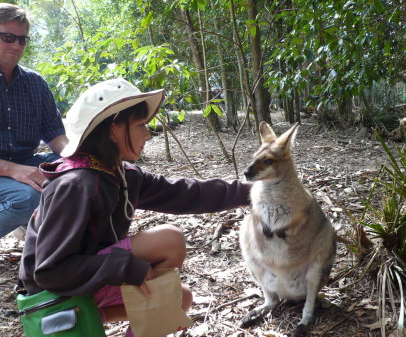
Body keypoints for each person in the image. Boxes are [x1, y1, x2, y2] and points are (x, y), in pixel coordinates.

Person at [18, 78, 252, 336]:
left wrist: (254, 192)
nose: (147, 134)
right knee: (169, 240)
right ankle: (82, 315)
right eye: (140, 125)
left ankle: (94, 315)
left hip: (86, 278)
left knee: (175, 301)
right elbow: (51, 272)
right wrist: (126, 266)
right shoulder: (76, 185)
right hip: (53, 295)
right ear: (112, 130)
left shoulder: (121, 175)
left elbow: (185, 193)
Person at [0, 3, 68, 267]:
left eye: (22, 40)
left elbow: (56, 137)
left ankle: (23, 220)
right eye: (8, 37)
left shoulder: (35, 83)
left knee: (76, 174)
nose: (16, 46)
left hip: (22, 165)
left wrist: (80, 159)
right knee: (27, 196)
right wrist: (14, 171)